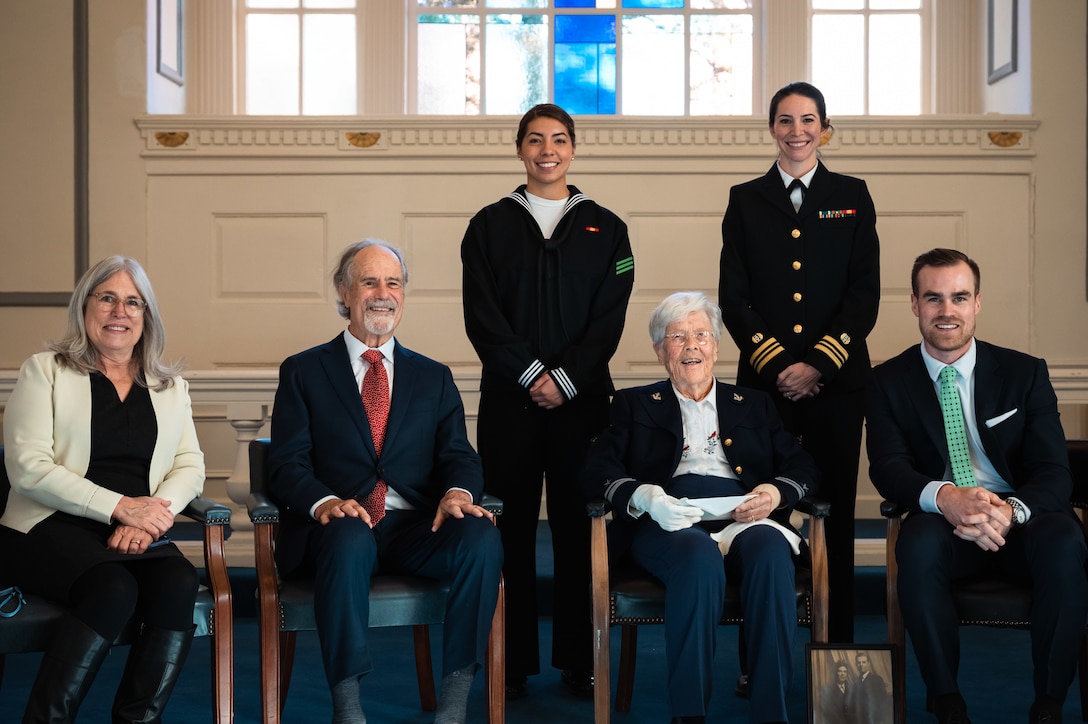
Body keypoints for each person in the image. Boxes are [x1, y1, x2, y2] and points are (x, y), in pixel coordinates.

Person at [268, 239, 503, 724]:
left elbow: (460, 455)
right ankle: (348, 707)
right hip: (336, 531)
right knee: (350, 534)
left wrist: (459, 492)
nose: (382, 293)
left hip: (415, 528)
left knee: (481, 536)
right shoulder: (304, 371)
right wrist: (326, 501)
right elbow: (286, 463)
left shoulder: (433, 377)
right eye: (369, 281)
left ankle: (455, 702)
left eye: (392, 282)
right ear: (344, 291)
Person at [866, 248, 1088, 724]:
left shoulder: (1025, 373)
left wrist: (1008, 510)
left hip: (1023, 516)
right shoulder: (886, 382)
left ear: (977, 303)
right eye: (934, 298)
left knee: (1066, 541)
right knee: (918, 545)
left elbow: (1054, 471)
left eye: (959, 298)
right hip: (946, 520)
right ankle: (947, 701)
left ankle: (1049, 704)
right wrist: (947, 498)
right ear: (914, 304)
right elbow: (888, 467)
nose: (947, 311)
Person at [461, 103, 634, 698]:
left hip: (583, 404)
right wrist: (532, 373)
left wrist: (566, 378)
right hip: (508, 404)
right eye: (534, 140)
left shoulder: (608, 227)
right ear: (519, 149)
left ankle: (579, 659)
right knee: (505, 530)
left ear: (574, 148)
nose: (547, 150)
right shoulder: (487, 225)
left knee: (577, 529)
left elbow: (609, 320)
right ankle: (509, 661)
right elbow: (481, 318)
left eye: (558, 140)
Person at [581, 291, 819, 724]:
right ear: (659, 351)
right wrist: (645, 497)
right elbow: (597, 468)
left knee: (770, 553)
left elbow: (801, 466)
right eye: (677, 337)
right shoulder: (634, 404)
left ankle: (772, 713)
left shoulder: (753, 403)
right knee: (698, 557)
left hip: (744, 517)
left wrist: (773, 493)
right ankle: (689, 715)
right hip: (670, 524)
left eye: (701, 335)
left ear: (716, 346)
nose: (691, 346)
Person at [0, 256, 205, 723]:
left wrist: (153, 516)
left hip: (136, 524)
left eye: (134, 302)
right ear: (85, 306)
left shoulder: (170, 386)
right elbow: (28, 468)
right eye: (107, 298)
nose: (120, 311)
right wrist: (120, 509)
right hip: (48, 524)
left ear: (146, 316)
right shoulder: (45, 370)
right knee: (112, 588)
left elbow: (190, 464)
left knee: (178, 582)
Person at [719, 81, 879, 645]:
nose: (797, 131)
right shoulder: (745, 198)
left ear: (824, 128)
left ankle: (832, 649)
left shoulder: (852, 194)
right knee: (760, 512)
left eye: (808, 120)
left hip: (836, 387)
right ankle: (756, 651)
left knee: (830, 511)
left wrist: (816, 365)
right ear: (771, 129)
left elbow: (864, 296)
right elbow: (733, 298)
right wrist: (780, 366)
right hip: (764, 389)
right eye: (785, 121)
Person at [852, 652, 889, 724]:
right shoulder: (856, 682)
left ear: (868, 663)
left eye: (864, 662)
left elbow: (883, 700)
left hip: (874, 719)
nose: (861, 665)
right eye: (859, 663)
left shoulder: (877, 679)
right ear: (856, 665)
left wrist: (879, 720)